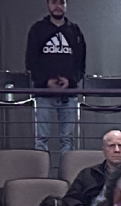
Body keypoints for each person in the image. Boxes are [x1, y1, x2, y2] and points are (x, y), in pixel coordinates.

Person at [27, 0, 86, 154]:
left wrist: (70, 81)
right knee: (41, 139)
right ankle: (40, 176)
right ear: (48, 5)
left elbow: (80, 63)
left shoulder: (75, 31)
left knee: (68, 139)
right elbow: (31, 62)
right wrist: (46, 82)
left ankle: (66, 176)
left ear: (66, 5)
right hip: (43, 93)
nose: (58, 6)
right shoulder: (37, 29)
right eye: (54, 2)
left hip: (69, 94)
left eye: (62, 2)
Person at [63, 129, 121, 206]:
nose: (117, 150)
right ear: (104, 149)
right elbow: (69, 198)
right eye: (111, 146)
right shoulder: (88, 174)